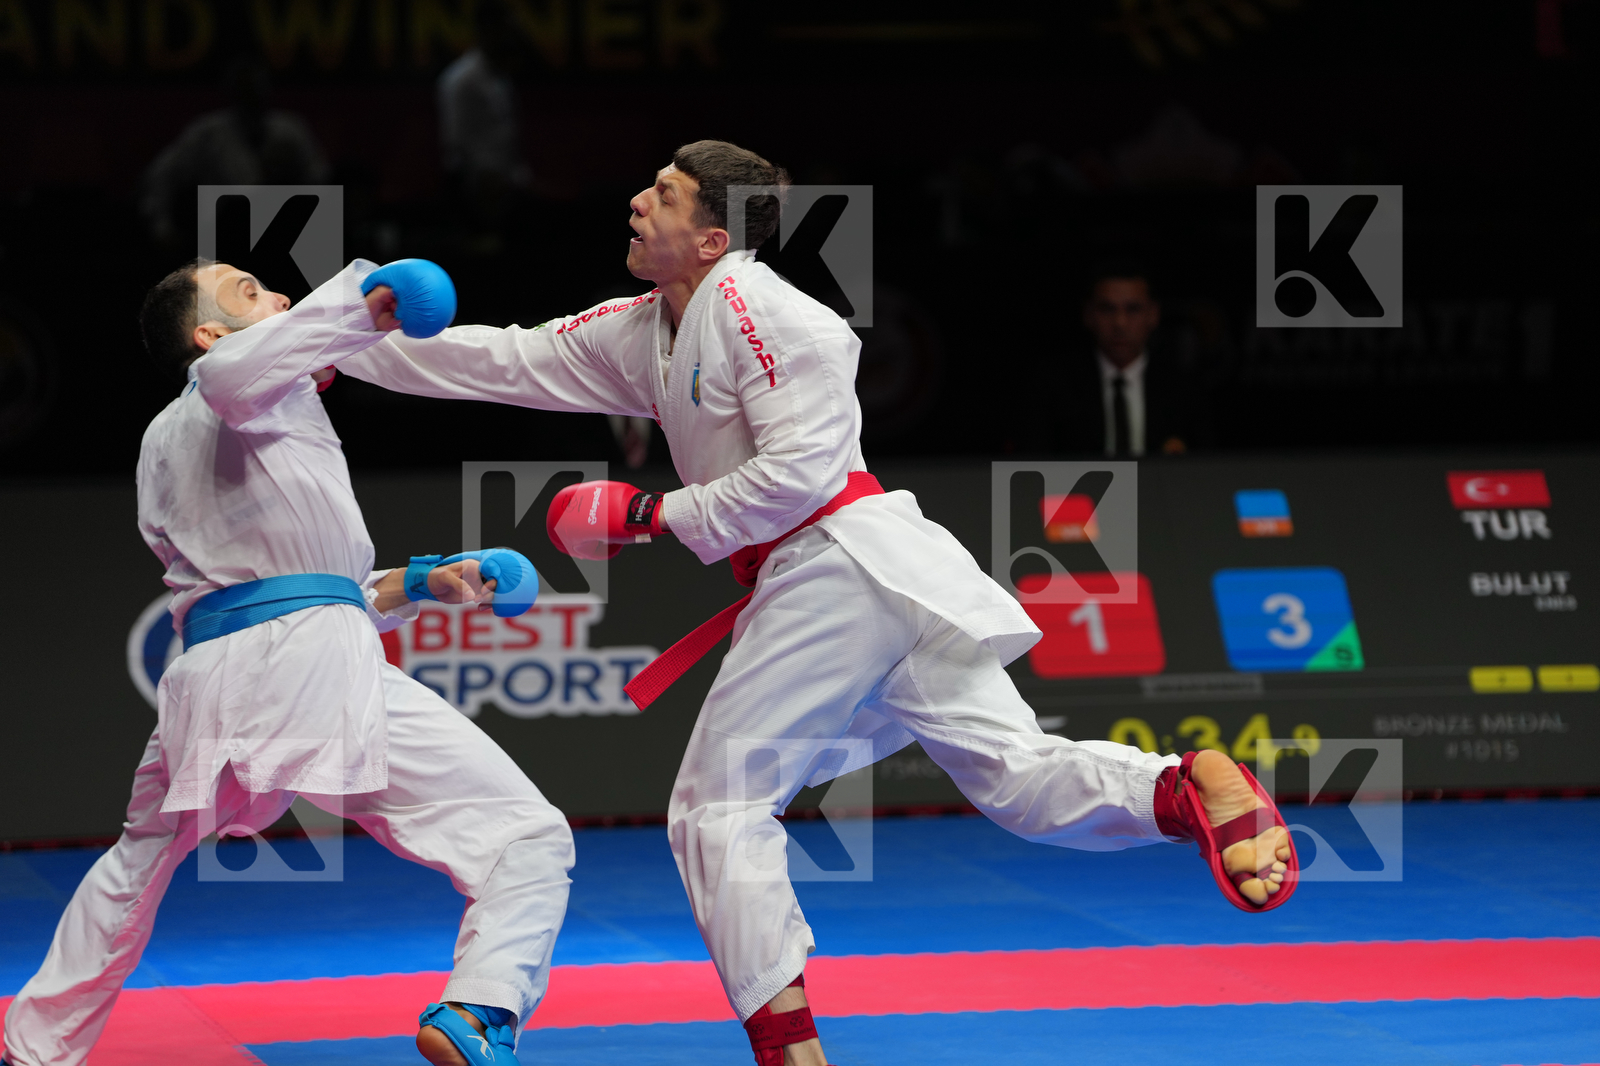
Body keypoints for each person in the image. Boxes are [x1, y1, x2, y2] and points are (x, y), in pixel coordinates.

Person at [337, 140, 1297, 1066]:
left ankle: (785, 1045)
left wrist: (644, 513)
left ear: (715, 238)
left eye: (664, 195)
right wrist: (334, 341)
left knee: (715, 808)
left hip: (833, 562)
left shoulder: (776, 314)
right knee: (1016, 783)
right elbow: (500, 362)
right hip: (869, 579)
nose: (637, 202)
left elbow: (798, 474)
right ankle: (1183, 786)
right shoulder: (645, 329)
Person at [1, 259, 572, 1066]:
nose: (277, 298)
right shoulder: (226, 387)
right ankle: (478, 1011)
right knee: (527, 836)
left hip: (221, 679)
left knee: (134, 865)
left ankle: (32, 1050)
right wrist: (366, 302)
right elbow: (239, 382)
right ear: (209, 334)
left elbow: (297, 586)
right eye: (247, 293)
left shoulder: (196, 426)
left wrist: (419, 583)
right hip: (304, 671)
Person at [1050, 263, 1203, 457]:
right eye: (1107, 309)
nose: (1120, 323)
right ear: (1088, 315)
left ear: (1153, 314)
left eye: (1133, 309)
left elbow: (1208, 468)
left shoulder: (1184, 388)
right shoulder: (1056, 386)